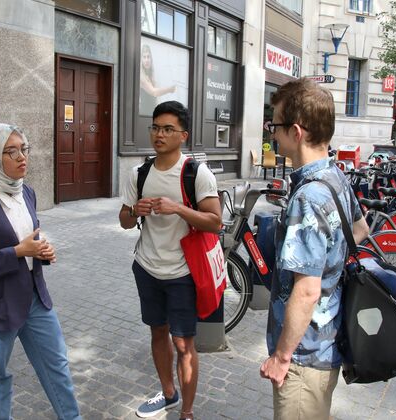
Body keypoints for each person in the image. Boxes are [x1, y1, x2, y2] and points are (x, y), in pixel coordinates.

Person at [0, 124, 81, 420]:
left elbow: (29, 240)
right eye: (11, 152)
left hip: (35, 298)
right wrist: (18, 252)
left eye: (24, 149)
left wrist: (42, 251)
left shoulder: (27, 192)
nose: (22, 157)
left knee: (56, 364)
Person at [258, 78, 370, 419]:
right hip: (327, 340)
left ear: (296, 132)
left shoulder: (308, 197)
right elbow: (360, 229)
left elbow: (306, 291)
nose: (272, 134)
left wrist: (281, 357)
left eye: (274, 125)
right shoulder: (334, 175)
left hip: (304, 356)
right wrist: (330, 270)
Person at [119, 101, 221, 420]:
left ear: (183, 135)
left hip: (182, 272)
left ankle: (187, 412)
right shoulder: (139, 172)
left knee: (183, 343)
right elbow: (123, 220)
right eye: (155, 127)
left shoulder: (195, 173)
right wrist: (136, 210)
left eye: (167, 129)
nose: (159, 134)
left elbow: (215, 221)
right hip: (147, 267)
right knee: (157, 332)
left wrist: (177, 208)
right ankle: (168, 393)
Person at [139, 44, 177, 116]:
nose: (146, 60)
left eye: (148, 57)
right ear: (141, 59)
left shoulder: (150, 73)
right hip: (144, 114)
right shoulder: (141, 75)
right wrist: (170, 89)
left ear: (151, 58)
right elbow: (154, 92)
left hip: (152, 113)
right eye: (144, 57)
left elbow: (156, 97)